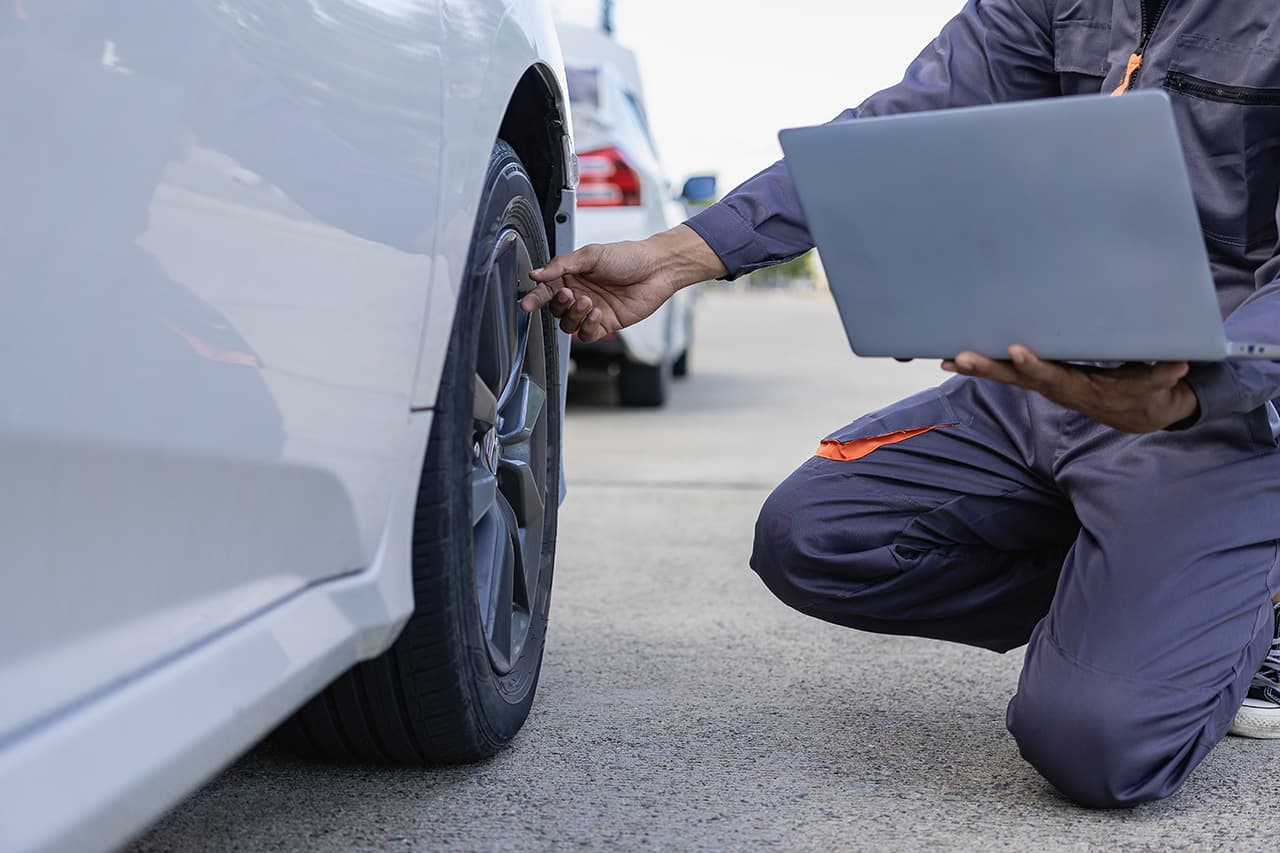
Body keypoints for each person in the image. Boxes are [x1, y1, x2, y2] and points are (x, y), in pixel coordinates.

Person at [522, 0, 1280, 809]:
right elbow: (894, 134)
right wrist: (678, 257)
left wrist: (1196, 389)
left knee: (1098, 745)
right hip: (1043, 381)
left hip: (1213, 410)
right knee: (813, 534)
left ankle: (1246, 600)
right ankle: (1152, 587)